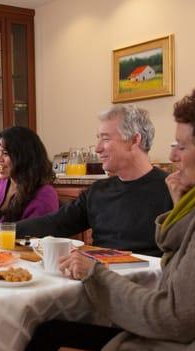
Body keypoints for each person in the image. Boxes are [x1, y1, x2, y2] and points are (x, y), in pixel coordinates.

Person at [18, 84, 195, 351]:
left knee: (45, 342)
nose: (173, 155)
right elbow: (59, 221)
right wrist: (0, 228)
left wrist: (96, 274)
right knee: (49, 332)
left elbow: (174, 316)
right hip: (150, 318)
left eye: (182, 146)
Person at [12, 105, 173, 256]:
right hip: (97, 277)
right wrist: (4, 230)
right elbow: (56, 223)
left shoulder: (172, 190)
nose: (97, 148)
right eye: (98, 139)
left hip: (145, 282)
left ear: (134, 140)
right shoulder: (98, 191)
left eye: (106, 139)